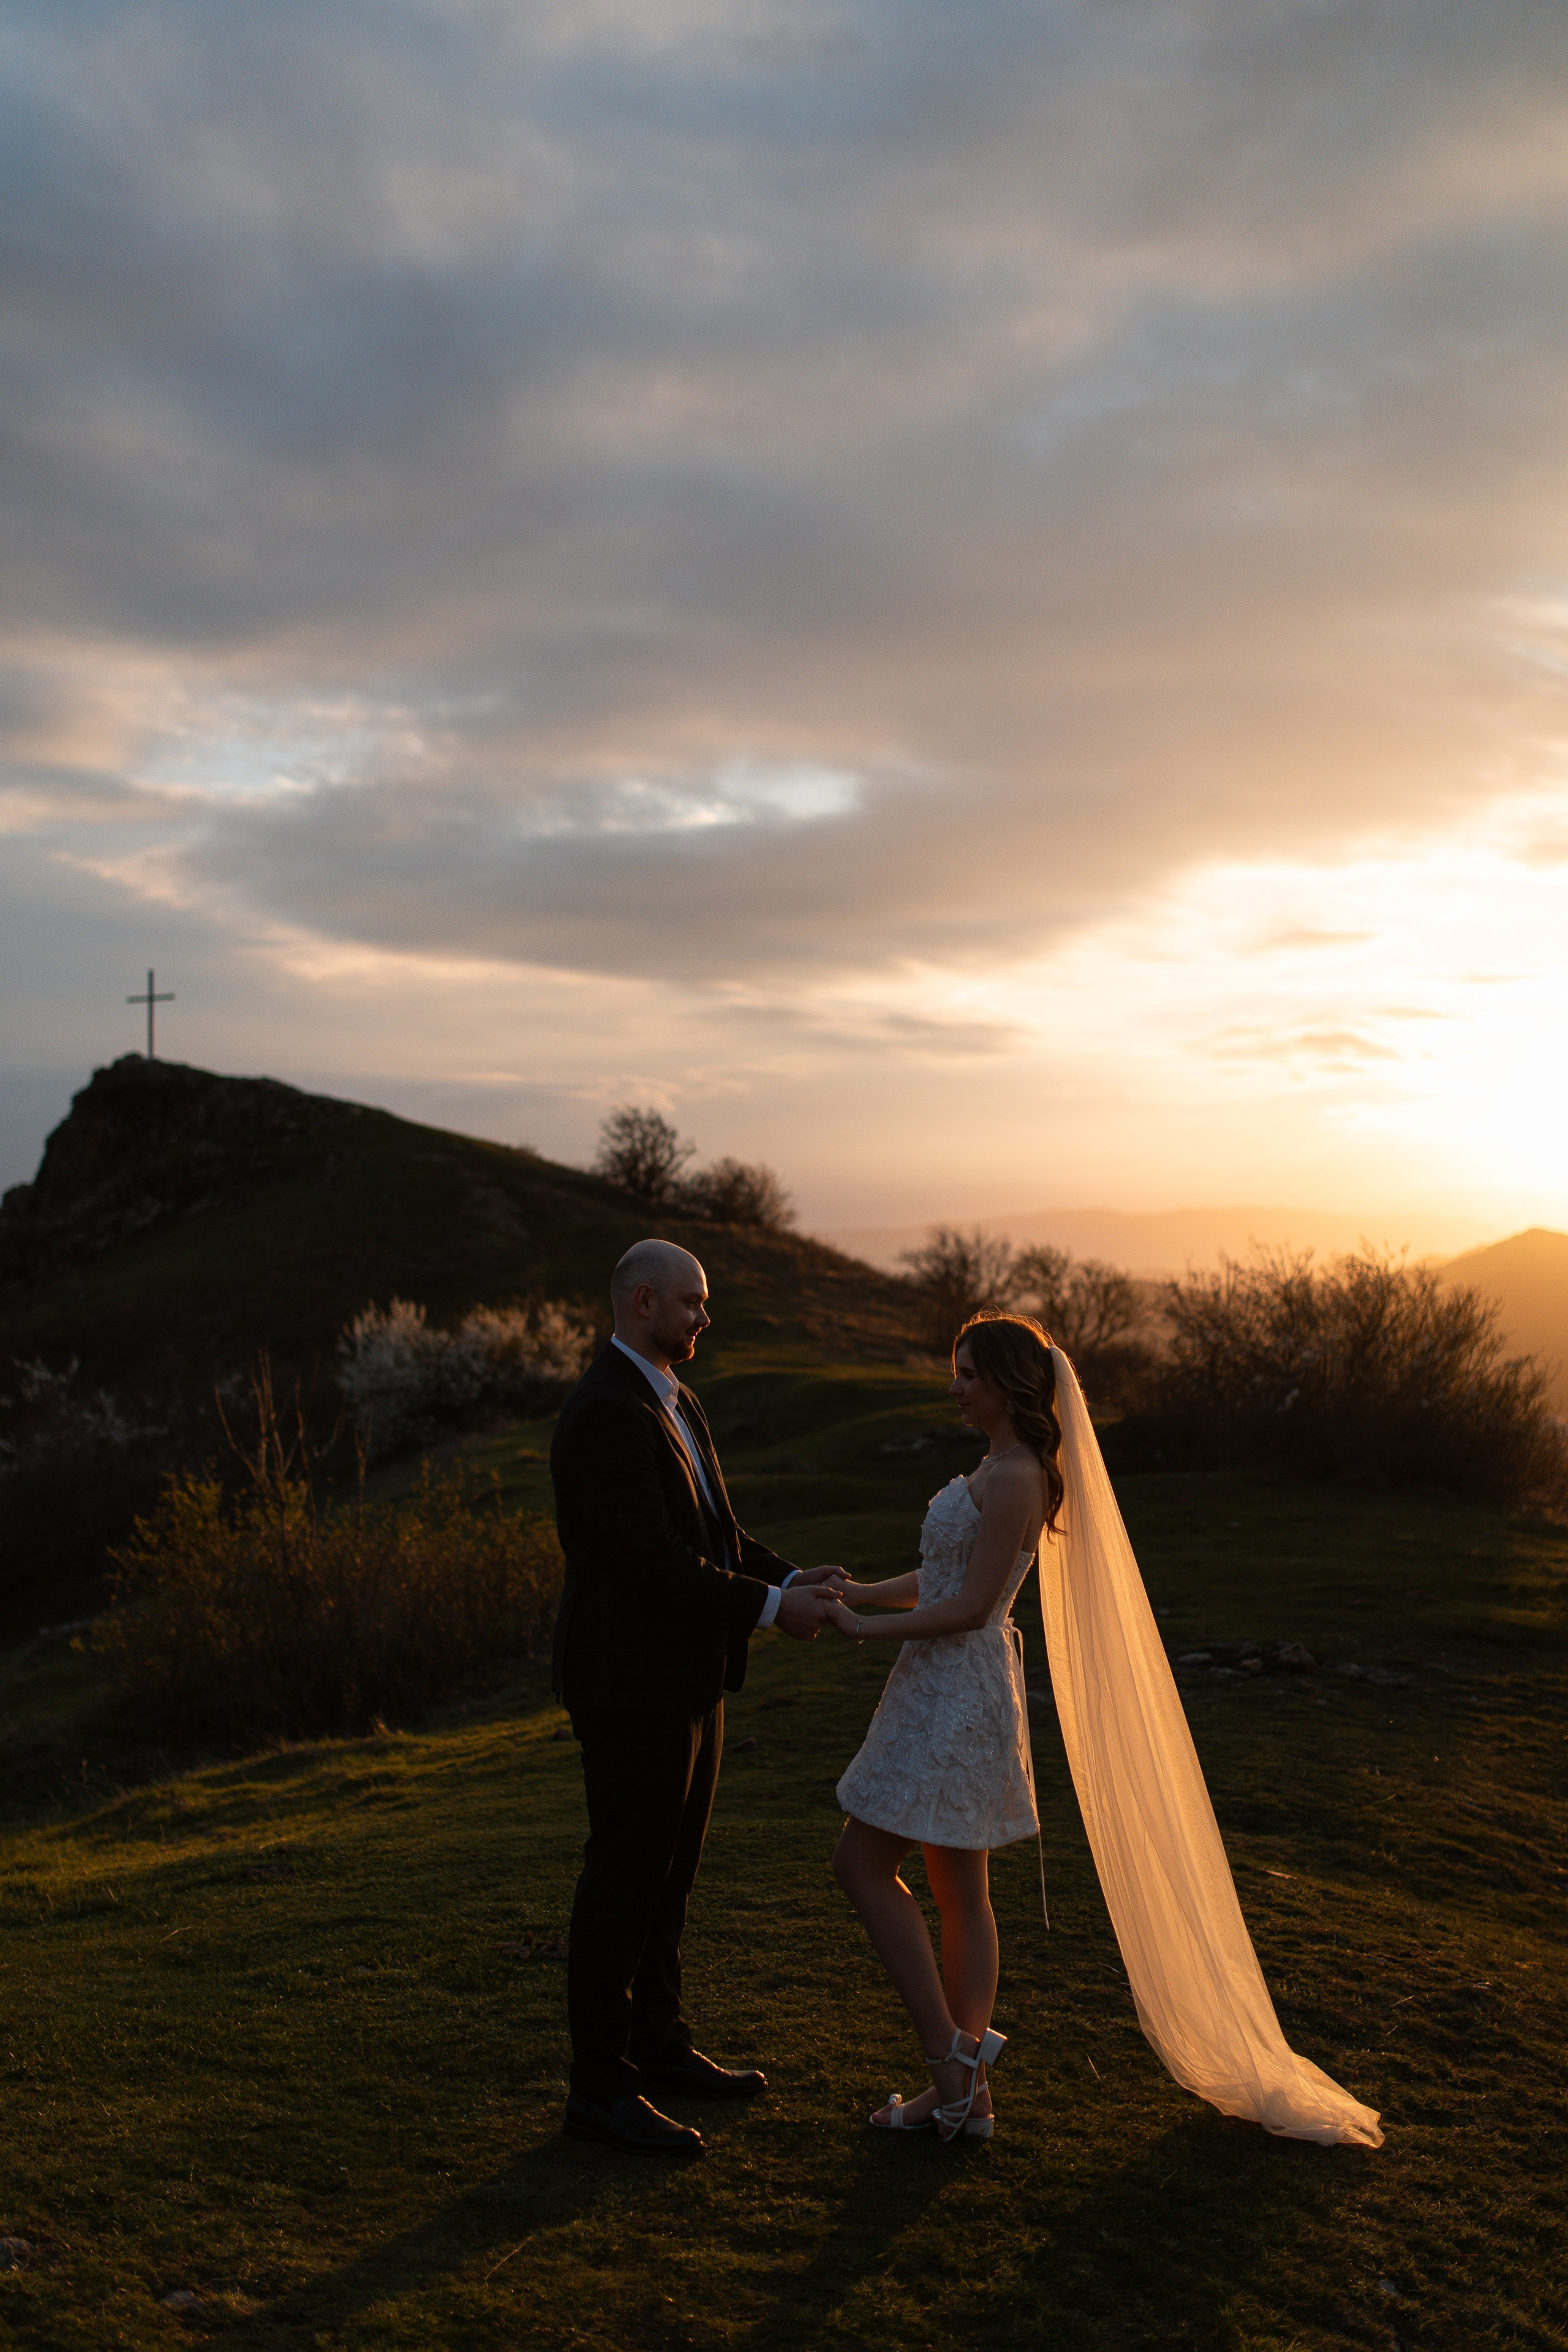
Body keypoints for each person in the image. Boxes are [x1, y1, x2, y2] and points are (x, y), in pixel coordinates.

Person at [826, 1311, 1384, 2151]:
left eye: (968, 1373)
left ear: (1011, 1385)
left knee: (870, 1868)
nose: (954, 1386)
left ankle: (950, 2065)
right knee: (954, 1892)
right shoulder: (996, 1466)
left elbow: (978, 1604)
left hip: (956, 1699)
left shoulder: (1018, 1475)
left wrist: (862, 1634)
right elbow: (947, 1575)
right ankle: (968, 2096)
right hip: (938, 1689)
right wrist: (867, 1592)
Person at [550, 1238, 843, 2159]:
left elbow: (715, 1534)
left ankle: (660, 2048)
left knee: (670, 1878)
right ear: (642, 1301)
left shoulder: (677, 1400)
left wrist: (793, 1576)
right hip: (629, 1685)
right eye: (692, 1304)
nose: (705, 1319)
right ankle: (600, 2093)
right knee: (624, 1884)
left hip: (686, 1680)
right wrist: (770, 1610)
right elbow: (650, 1563)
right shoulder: (604, 1413)